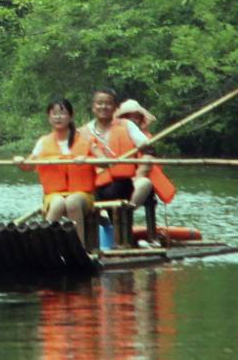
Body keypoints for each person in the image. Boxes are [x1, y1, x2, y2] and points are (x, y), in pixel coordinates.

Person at [85, 88, 160, 237]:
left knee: (123, 188)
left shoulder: (126, 126)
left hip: (122, 184)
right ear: (93, 106)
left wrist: (140, 170)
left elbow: (148, 150)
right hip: (95, 184)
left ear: (115, 107)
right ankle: (90, 239)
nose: (103, 107)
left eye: (108, 104)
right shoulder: (84, 131)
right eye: (99, 103)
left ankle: (123, 234)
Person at [30, 98, 104, 247]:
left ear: (70, 116)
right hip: (54, 194)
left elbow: (105, 162)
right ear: (49, 117)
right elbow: (28, 165)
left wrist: (87, 159)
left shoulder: (87, 140)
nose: (58, 117)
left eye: (62, 113)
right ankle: (44, 246)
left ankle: (78, 248)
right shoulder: (43, 142)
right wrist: (20, 161)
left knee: (72, 202)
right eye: (54, 114)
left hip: (82, 194)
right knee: (57, 204)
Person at [112, 99, 178, 238]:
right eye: (128, 116)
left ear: (141, 119)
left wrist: (134, 179)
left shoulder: (146, 140)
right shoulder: (112, 136)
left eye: (136, 116)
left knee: (140, 184)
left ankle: (124, 220)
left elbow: (146, 163)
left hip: (137, 182)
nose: (132, 120)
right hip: (115, 183)